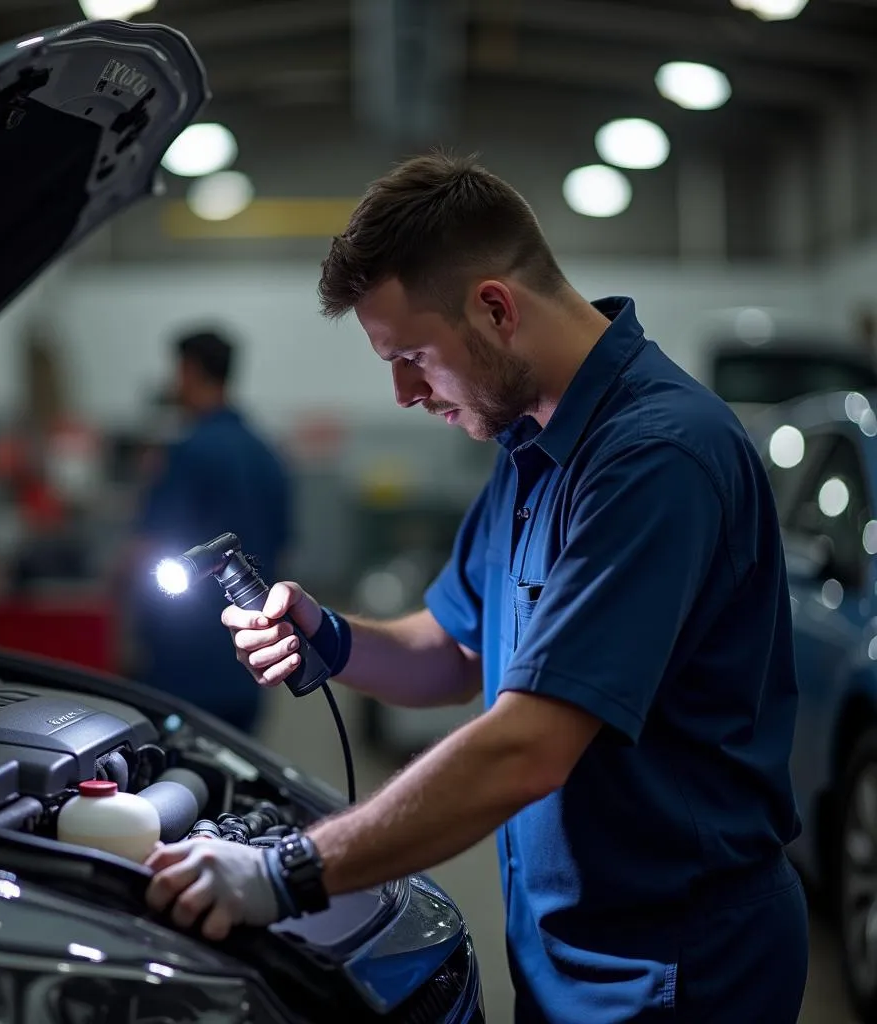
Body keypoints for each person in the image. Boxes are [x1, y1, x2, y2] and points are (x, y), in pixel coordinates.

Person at [144, 154, 809, 1022]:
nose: (404, 391)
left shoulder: (655, 459)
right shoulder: (530, 446)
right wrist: (332, 638)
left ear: (495, 308)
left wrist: (284, 873)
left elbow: (528, 746)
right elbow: (454, 647)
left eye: (414, 355)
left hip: (673, 966)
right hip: (568, 953)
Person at [126, 328, 291, 734]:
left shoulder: (186, 454)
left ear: (189, 370)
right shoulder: (266, 453)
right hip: (247, 652)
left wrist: (125, 630)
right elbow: (283, 549)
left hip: (183, 660)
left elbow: (148, 549)